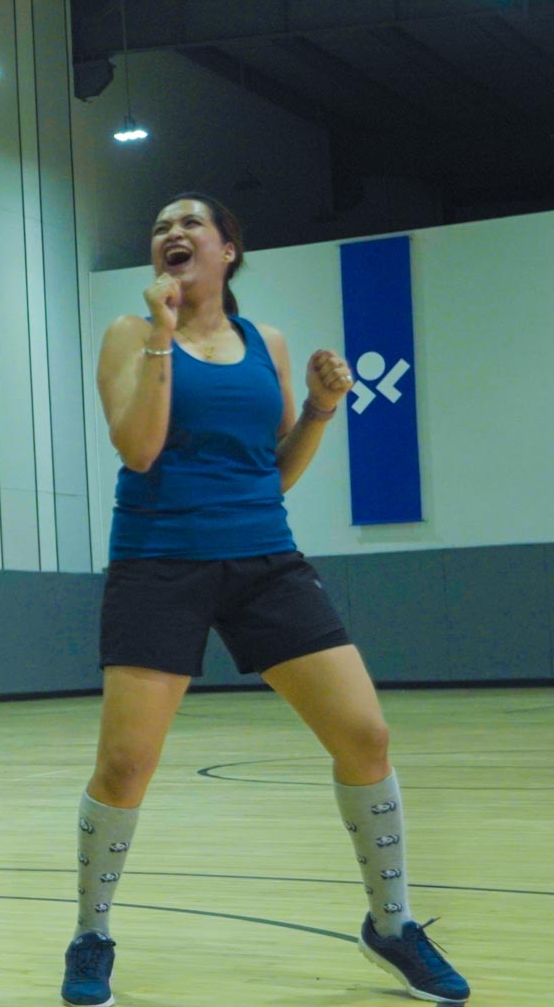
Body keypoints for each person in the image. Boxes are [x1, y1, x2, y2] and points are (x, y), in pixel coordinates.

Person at [59, 194, 471, 1006]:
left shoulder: (265, 343)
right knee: (125, 764)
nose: (171, 235)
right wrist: (162, 338)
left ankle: (392, 925)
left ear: (229, 250)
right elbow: (138, 448)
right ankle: (91, 935)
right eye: (159, 228)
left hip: (265, 561)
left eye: (190, 225)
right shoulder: (130, 336)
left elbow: (272, 469)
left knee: (365, 734)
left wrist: (319, 408)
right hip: (158, 562)